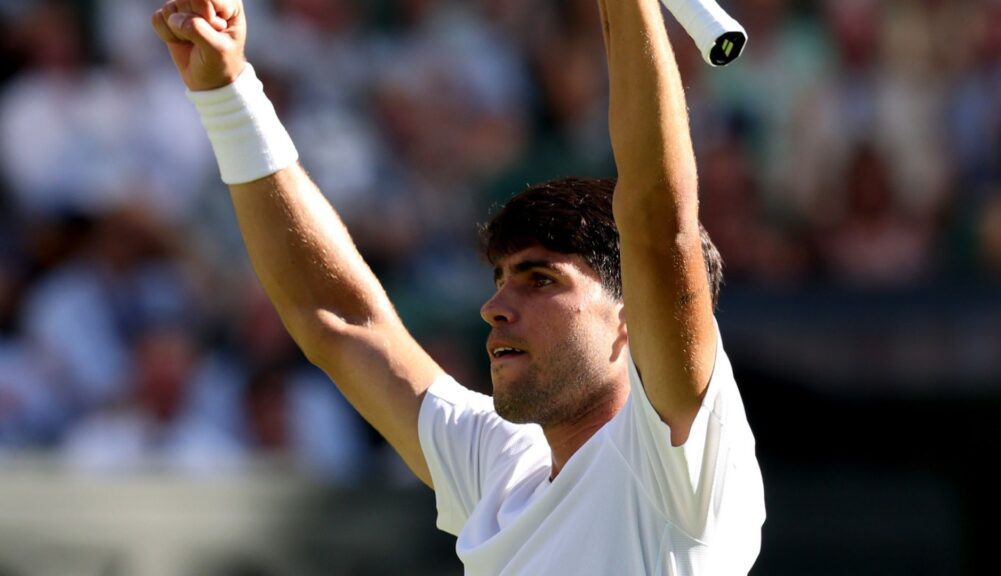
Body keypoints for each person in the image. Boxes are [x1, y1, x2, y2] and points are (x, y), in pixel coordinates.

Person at [152, 0, 765, 573]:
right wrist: (227, 94)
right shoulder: (498, 468)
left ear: (632, 313)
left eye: (540, 280)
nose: (495, 307)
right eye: (501, 280)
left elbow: (659, 223)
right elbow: (338, 319)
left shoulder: (687, 465)